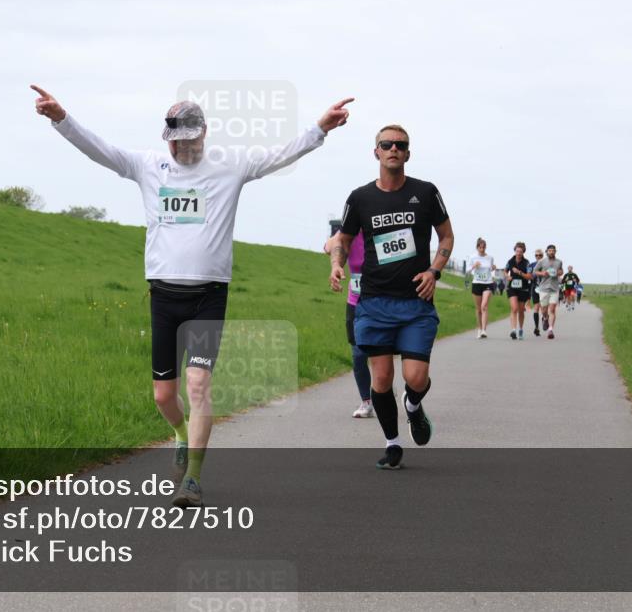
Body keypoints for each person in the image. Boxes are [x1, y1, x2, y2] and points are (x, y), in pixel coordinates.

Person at [32, 84, 353, 505]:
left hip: (208, 296)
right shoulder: (147, 166)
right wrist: (61, 119)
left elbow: (280, 154)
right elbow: (99, 149)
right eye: (175, 142)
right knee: (164, 395)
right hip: (163, 296)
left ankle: (193, 479)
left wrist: (319, 129)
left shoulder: (230, 165)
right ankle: (180, 435)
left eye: (188, 141)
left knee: (198, 384)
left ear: (203, 134)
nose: (181, 149)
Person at [329, 124, 454, 471]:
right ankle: (393, 443)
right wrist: (337, 264)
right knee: (381, 379)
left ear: (408, 153)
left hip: (415, 302)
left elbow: (446, 235)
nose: (394, 149)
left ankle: (413, 405)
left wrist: (434, 271)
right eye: (387, 144)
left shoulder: (426, 193)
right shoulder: (360, 198)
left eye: (400, 145)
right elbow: (343, 237)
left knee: (415, 377)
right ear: (377, 152)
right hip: (374, 303)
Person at [324, 230, 374, 418]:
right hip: (355, 303)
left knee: (380, 353)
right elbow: (328, 246)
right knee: (358, 354)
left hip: (381, 301)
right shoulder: (350, 228)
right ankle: (366, 401)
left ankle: (382, 387)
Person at [466, 238, 497, 339]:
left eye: (484, 247)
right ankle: (479, 328)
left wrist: (493, 268)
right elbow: (467, 271)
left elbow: (492, 269)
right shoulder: (472, 257)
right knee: (479, 309)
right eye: (480, 247)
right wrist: (474, 266)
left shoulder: (490, 257)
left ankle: (484, 330)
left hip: (488, 283)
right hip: (477, 283)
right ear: (477, 247)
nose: (482, 249)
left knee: (484, 306)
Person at [533, 244, 564, 340]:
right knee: (544, 310)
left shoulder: (559, 262)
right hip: (544, 288)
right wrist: (542, 273)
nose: (551, 252)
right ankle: (545, 318)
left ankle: (550, 330)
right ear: (547, 252)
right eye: (550, 250)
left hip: (554, 288)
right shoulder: (542, 261)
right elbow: (535, 271)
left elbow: (561, 271)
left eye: (553, 250)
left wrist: (560, 272)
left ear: (555, 251)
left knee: (552, 309)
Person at [504, 242, 532, 340]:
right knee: (514, 308)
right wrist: (507, 276)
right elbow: (504, 271)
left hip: (523, 289)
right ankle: (513, 330)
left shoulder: (526, 263)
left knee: (520, 311)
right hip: (512, 288)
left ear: (523, 252)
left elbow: (530, 276)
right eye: (517, 251)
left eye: (520, 251)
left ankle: (520, 329)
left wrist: (519, 272)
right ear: (515, 251)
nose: (518, 253)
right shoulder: (510, 261)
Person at [528, 248, 544, 337]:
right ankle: (536, 327)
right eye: (536, 255)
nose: (538, 257)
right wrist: (534, 274)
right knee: (536, 307)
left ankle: (545, 319)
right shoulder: (532, 265)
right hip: (535, 288)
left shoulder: (546, 264)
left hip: (545, 288)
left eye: (540, 255)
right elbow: (529, 276)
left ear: (543, 256)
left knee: (544, 309)